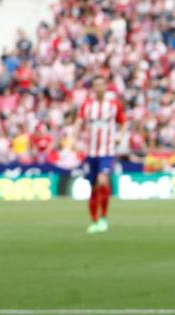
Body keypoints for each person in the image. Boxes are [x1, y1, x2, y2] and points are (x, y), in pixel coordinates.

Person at [76, 76, 124, 234]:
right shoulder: (87, 106)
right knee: (93, 187)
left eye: (101, 85)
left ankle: (103, 217)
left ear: (105, 87)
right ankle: (94, 220)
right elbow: (79, 122)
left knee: (103, 181)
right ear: (93, 88)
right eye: (96, 85)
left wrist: (120, 136)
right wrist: (73, 137)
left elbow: (123, 122)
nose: (99, 88)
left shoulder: (113, 105)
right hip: (91, 152)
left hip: (107, 151)